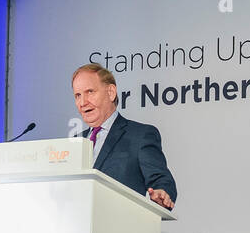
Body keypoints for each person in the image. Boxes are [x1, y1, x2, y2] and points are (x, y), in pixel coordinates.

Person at [71, 63, 176, 210]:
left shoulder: (140, 135)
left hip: (119, 227)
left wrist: (162, 193)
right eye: (78, 95)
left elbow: (161, 180)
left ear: (111, 92)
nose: (82, 102)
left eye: (90, 92)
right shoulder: (74, 142)